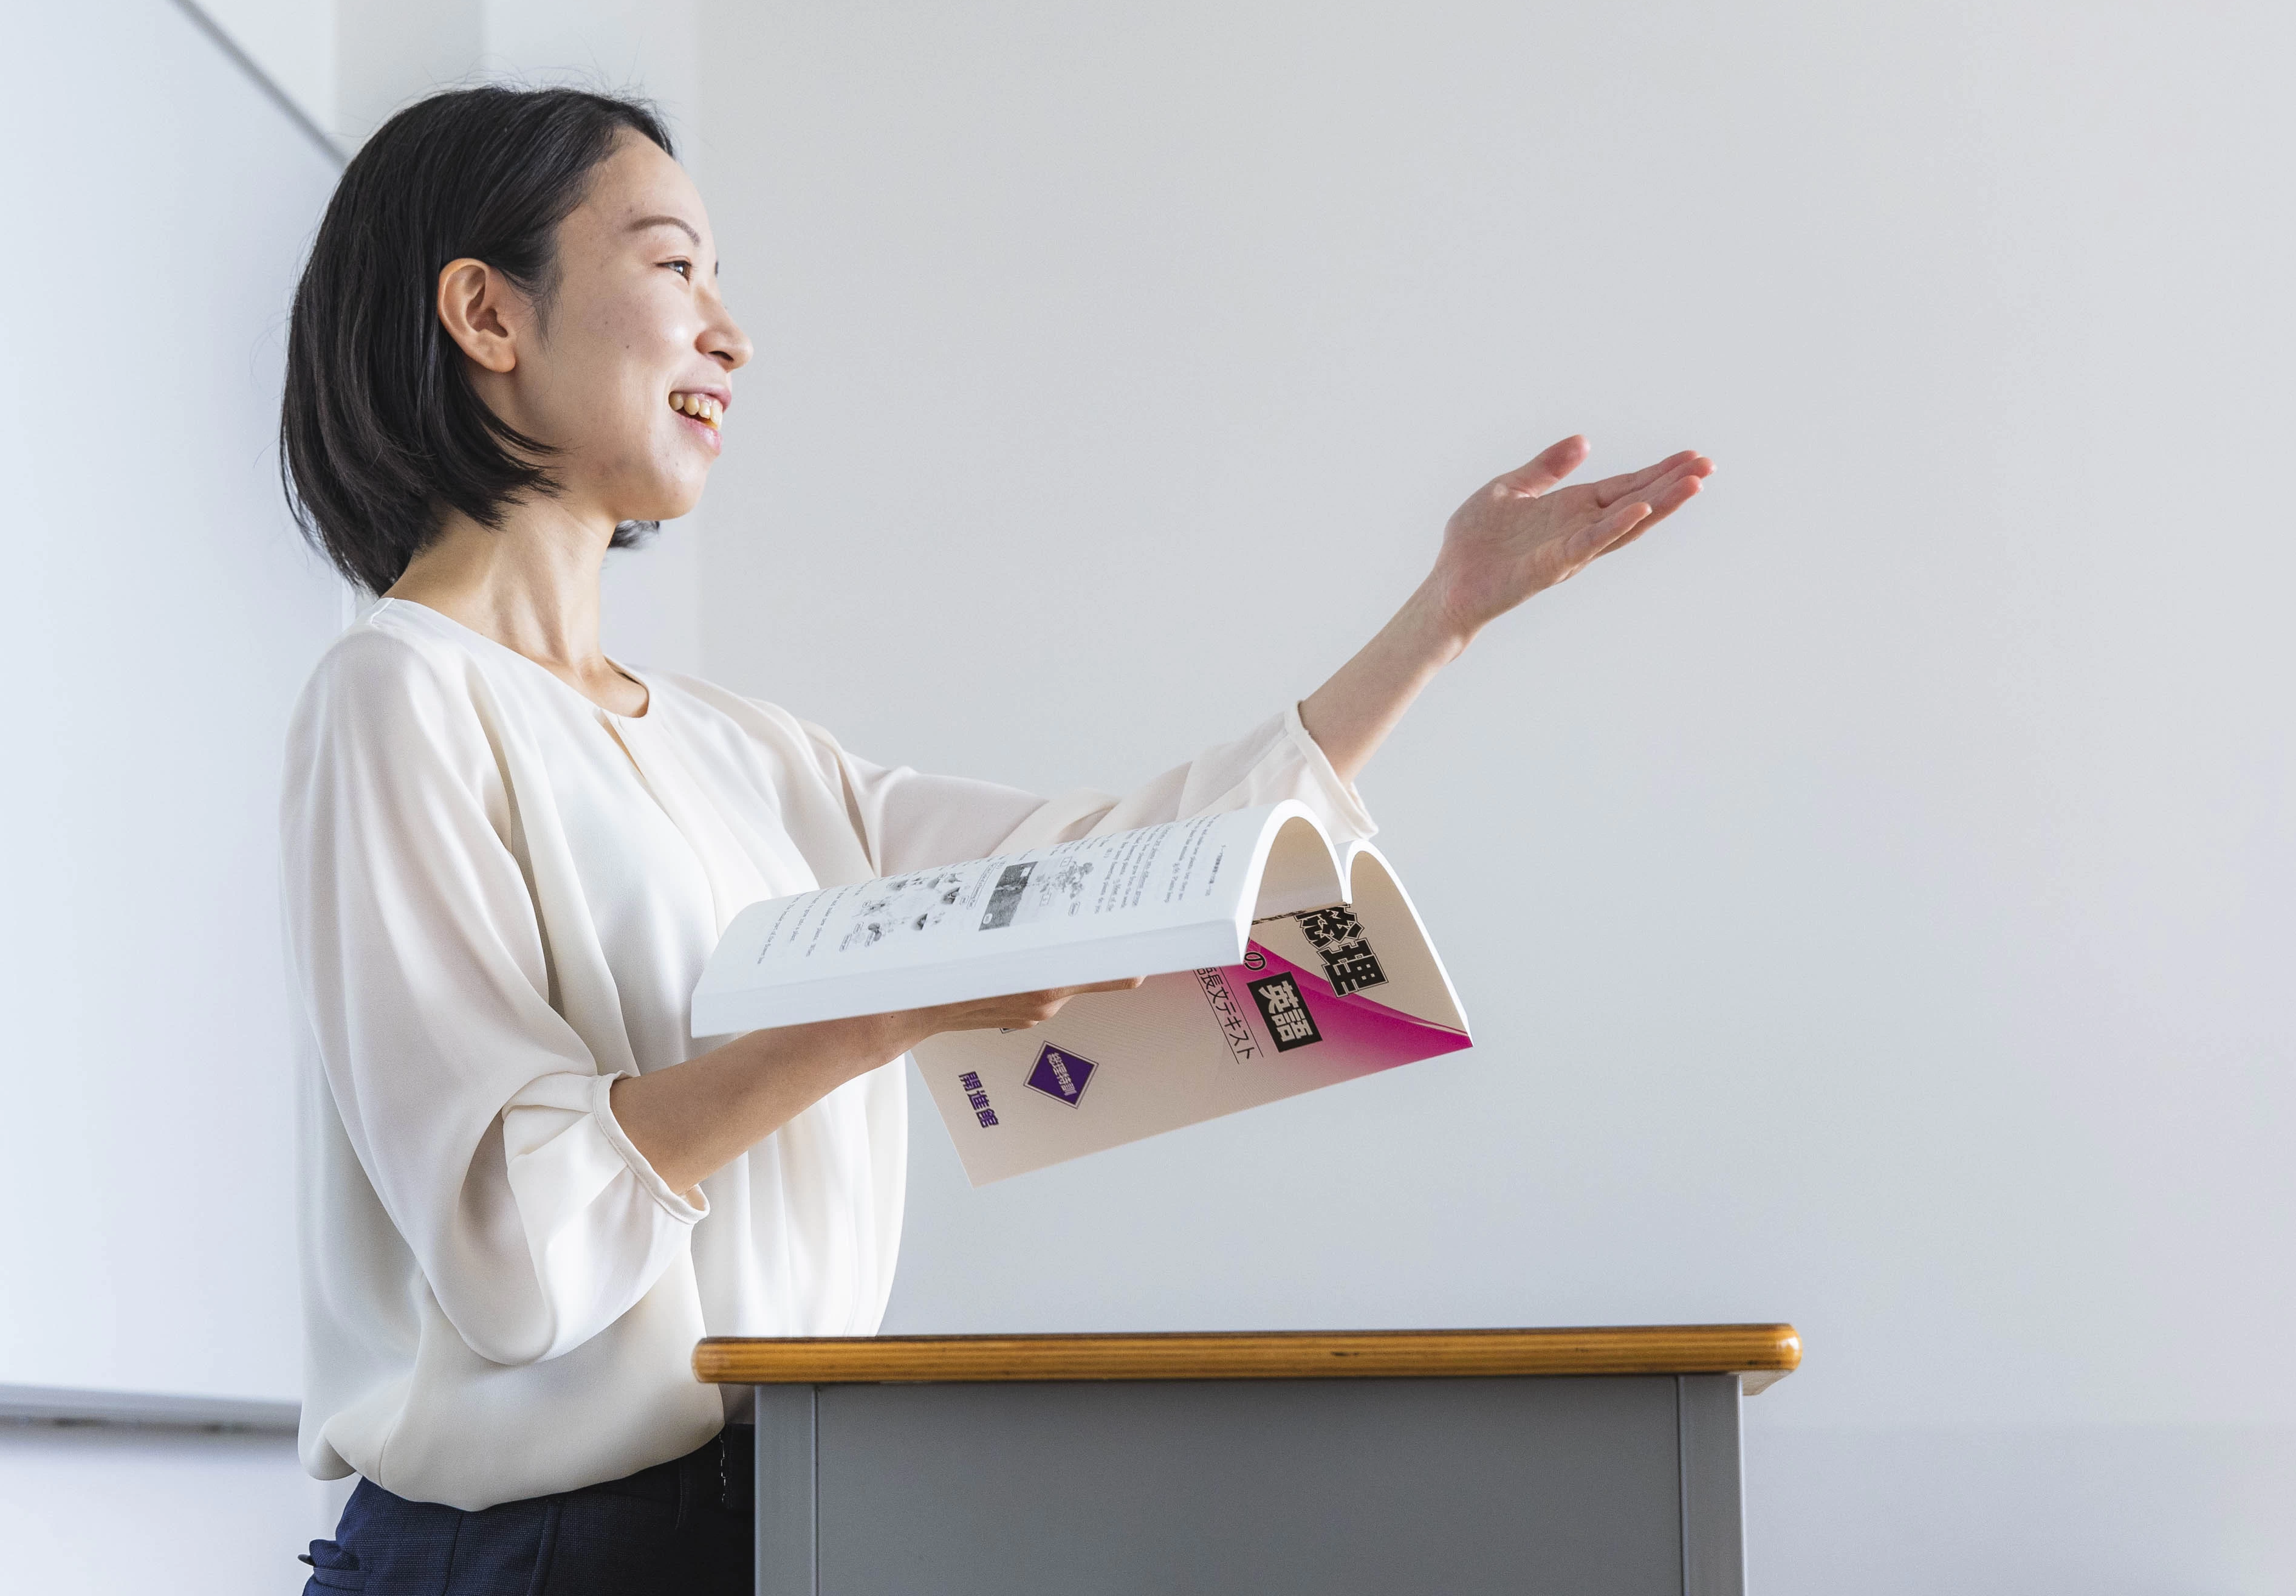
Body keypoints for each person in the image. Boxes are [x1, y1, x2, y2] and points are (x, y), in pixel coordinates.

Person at [278, 85, 1710, 1596]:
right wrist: (877, 1008)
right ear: (486, 315)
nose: (731, 332)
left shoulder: (747, 749)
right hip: (529, 1559)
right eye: (673, 265)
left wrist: (1439, 625)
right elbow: (509, 1240)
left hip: (784, 1515)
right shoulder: (399, 694)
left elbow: (1111, 872)